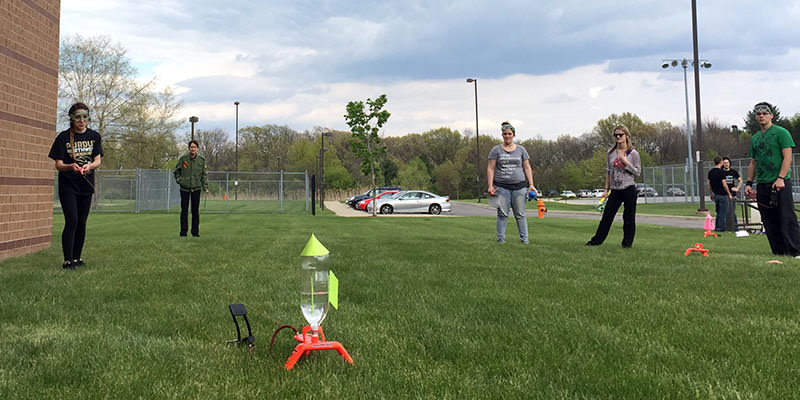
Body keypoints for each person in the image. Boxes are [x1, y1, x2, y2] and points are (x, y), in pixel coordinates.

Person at [48, 102, 103, 270]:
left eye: (85, 117)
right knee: (71, 220)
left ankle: (77, 258)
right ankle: (68, 260)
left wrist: (90, 166)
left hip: (86, 185)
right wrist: (70, 166)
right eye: (78, 117)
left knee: (81, 222)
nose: (82, 121)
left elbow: (97, 160)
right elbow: (58, 164)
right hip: (68, 185)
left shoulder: (94, 136)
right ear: (71, 119)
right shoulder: (63, 138)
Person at [743, 102, 800, 257]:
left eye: (764, 113)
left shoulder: (781, 133)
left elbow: (787, 157)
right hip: (763, 184)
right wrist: (749, 183)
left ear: (771, 115)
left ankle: (795, 251)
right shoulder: (755, 138)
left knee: (787, 217)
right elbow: (753, 162)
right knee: (769, 220)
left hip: (780, 183)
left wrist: (781, 177)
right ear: (755, 117)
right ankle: (779, 252)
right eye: (758, 114)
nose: (761, 116)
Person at [586, 124, 641, 248]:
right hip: (615, 190)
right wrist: (606, 190)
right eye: (615, 135)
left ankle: (627, 244)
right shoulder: (610, 153)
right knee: (607, 216)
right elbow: (608, 172)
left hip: (628, 188)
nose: (618, 137)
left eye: (620, 135)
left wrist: (625, 161)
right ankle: (596, 241)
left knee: (629, 218)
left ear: (626, 136)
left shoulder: (633, 154)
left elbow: (637, 172)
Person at [487, 122, 538, 244]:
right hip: (501, 187)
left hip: (519, 188)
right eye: (505, 134)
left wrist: (531, 184)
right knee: (502, 214)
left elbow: (527, 167)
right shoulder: (496, 150)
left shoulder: (521, 150)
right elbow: (490, 168)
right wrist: (490, 185)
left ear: (513, 135)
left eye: (509, 134)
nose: (507, 136)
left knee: (520, 214)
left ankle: (524, 240)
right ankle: (501, 240)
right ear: (502, 135)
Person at [173, 140, 209, 237]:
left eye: (194, 147)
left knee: (195, 211)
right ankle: (183, 232)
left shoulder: (201, 161)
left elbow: (204, 175)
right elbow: (176, 172)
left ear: (197, 148)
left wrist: (205, 187)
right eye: (191, 147)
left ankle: (195, 232)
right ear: (189, 148)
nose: (193, 149)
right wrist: (180, 180)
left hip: (196, 188)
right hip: (184, 189)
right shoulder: (183, 159)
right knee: (184, 210)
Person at [707, 156, 733, 233]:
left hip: (715, 194)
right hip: (723, 195)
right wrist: (729, 194)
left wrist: (711, 194)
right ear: (721, 162)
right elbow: (724, 184)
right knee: (723, 212)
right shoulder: (721, 172)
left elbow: (708, 184)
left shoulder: (711, 172)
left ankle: (717, 227)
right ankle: (721, 228)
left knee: (718, 212)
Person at [722, 156, 741, 228]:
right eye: (724, 163)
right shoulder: (721, 172)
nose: (726, 164)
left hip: (733, 194)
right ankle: (726, 227)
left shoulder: (733, 172)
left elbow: (740, 180)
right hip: (724, 194)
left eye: (727, 163)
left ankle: (735, 227)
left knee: (732, 212)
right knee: (725, 212)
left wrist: (737, 188)